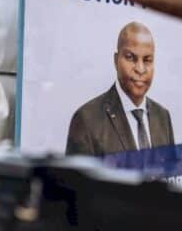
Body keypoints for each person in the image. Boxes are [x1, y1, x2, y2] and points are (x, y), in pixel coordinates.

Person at [65, 21, 174, 156]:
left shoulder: (163, 116)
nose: (140, 69)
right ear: (116, 60)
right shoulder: (86, 120)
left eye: (147, 60)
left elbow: (171, 175)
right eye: (130, 58)